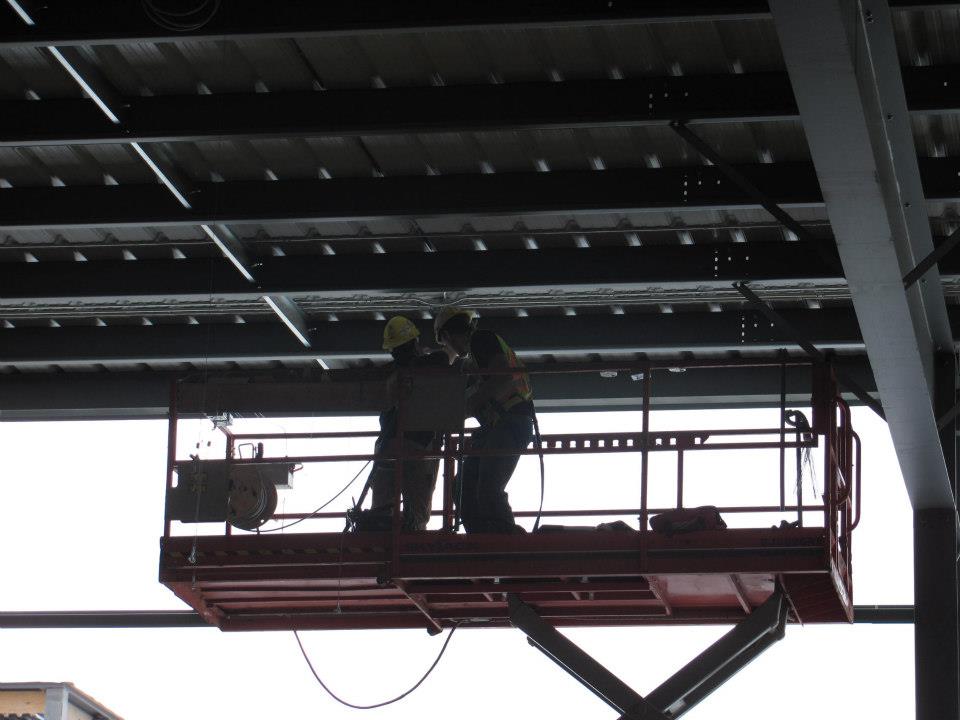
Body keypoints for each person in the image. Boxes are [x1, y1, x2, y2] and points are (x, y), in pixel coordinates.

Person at [434, 308, 534, 534]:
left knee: (488, 490)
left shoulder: (481, 340)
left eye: (443, 342)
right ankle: (480, 540)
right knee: (463, 487)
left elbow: (502, 379)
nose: (446, 348)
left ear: (448, 336)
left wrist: (465, 409)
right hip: (499, 425)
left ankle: (507, 542)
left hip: (511, 421)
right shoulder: (476, 359)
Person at [358, 315, 448, 532]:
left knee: (381, 510)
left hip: (389, 444)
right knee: (416, 513)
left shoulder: (390, 372)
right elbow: (443, 359)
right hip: (419, 446)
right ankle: (411, 542)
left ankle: (382, 542)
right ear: (415, 343)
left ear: (392, 349)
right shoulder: (430, 365)